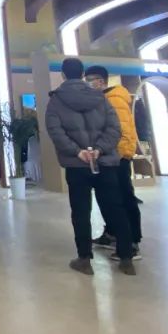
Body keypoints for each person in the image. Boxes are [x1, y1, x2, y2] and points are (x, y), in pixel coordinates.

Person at [45, 58, 135, 276]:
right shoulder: (100, 97)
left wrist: (77, 152)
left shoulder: (56, 100)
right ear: (82, 73)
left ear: (63, 75)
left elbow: (55, 131)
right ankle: (126, 258)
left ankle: (84, 259)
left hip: (77, 165)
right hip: (105, 163)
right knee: (115, 208)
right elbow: (114, 128)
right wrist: (99, 150)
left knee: (80, 211)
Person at [84, 66, 142, 260]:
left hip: (118, 157)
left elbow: (121, 130)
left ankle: (132, 243)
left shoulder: (115, 99)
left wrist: (119, 153)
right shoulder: (103, 99)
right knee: (108, 198)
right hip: (108, 156)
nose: (87, 84)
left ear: (100, 81)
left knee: (123, 198)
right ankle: (112, 234)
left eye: (89, 80)